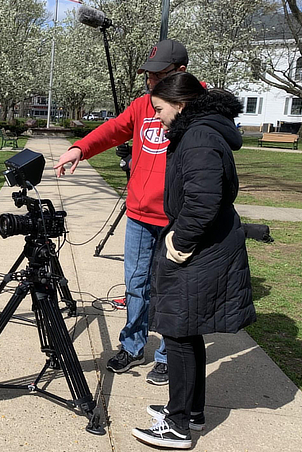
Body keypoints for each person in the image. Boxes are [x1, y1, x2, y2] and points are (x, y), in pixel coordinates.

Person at [53, 39, 192, 385]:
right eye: (148, 76)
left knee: (169, 290)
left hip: (176, 217)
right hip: (139, 215)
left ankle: (167, 356)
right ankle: (132, 346)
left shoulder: (197, 107)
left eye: (159, 76)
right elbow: (114, 129)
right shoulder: (143, 105)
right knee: (135, 284)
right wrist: (79, 149)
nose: (151, 83)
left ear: (180, 72)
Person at [131, 72, 256, 449]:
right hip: (207, 247)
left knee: (179, 332)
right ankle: (191, 411)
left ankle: (178, 425)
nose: (157, 117)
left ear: (180, 104)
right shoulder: (199, 132)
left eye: (160, 109)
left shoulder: (199, 137)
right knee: (187, 331)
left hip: (201, 250)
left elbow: (204, 201)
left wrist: (179, 243)